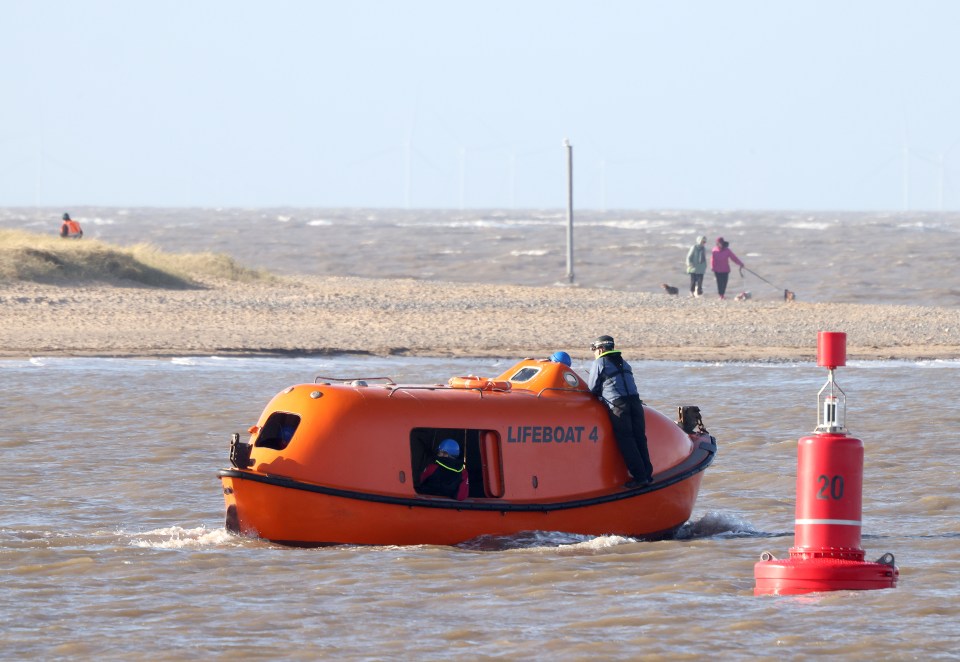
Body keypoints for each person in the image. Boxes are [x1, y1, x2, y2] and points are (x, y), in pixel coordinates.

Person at [586, 335, 654, 489]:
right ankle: (648, 475)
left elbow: (592, 389)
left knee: (627, 440)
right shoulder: (624, 363)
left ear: (601, 349)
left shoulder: (600, 362)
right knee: (640, 438)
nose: (594, 353)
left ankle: (639, 478)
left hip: (619, 405)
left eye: (594, 350)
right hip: (636, 403)